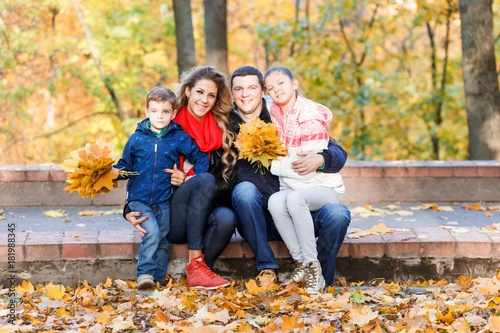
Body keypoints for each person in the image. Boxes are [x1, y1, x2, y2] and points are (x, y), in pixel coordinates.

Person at [229, 66, 350, 291]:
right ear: (232, 94)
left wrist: (321, 159)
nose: (245, 94)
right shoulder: (225, 126)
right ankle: (269, 267)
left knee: (338, 214)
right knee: (244, 191)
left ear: (261, 92)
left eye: (253, 88)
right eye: (239, 89)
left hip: (299, 204)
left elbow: (337, 152)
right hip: (261, 216)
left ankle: (320, 278)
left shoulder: (281, 115)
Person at [124, 66, 238, 290]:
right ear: (187, 91)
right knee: (204, 179)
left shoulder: (225, 127)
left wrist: (188, 179)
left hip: (205, 207)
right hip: (172, 212)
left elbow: (230, 181)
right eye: (199, 92)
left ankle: (203, 269)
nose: (204, 100)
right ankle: (195, 266)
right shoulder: (166, 123)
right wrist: (127, 209)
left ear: (217, 99)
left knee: (225, 218)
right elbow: (140, 167)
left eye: (211, 95)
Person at [113, 86, 209, 290]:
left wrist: (190, 177)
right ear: (147, 112)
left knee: (163, 236)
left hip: (164, 198)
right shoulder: (136, 138)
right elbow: (125, 166)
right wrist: (113, 173)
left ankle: (156, 278)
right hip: (139, 199)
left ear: (173, 113)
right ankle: (144, 273)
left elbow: (200, 157)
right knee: (152, 232)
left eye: (165, 112)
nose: (159, 116)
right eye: (154, 111)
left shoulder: (178, 137)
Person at [263, 65, 345, 294]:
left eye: (281, 83)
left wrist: (275, 165)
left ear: (294, 83)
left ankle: (314, 265)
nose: (276, 90)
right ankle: (302, 262)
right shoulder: (275, 115)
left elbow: (304, 167)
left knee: (296, 199)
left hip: (323, 187)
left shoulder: (309, 114)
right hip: (295, 188)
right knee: (276, 202)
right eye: (270, 88)